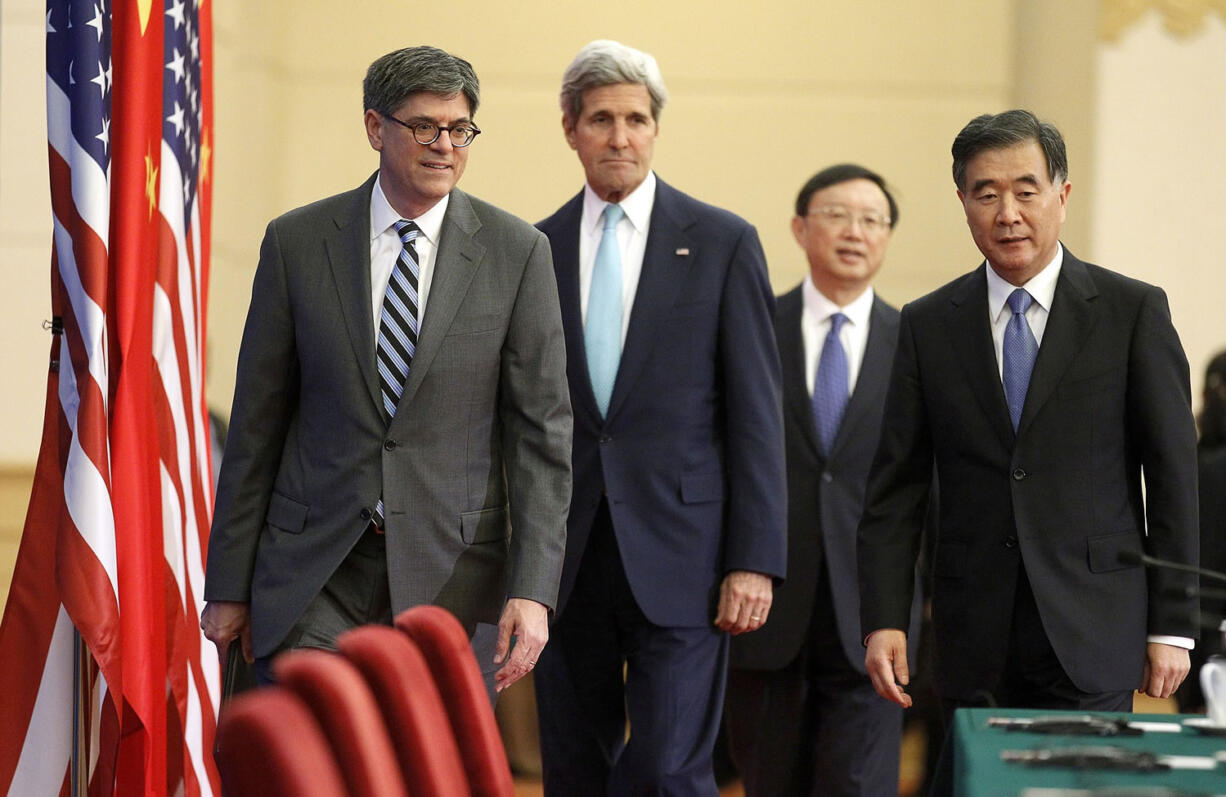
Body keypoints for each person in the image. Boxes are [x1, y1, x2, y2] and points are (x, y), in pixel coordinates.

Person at [200, 46, 572, 699]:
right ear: (376, 127)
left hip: (450, 579)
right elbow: (257, 424)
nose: (444, 145)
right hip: (313, 569)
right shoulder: (296, 244)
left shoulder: (518, 254)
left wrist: (533, 589)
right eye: (424, 126)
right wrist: (229, 584)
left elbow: (543, 437)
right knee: (305, 758)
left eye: (460, 130)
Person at [858, 109, 1199, 718]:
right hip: (972, 634)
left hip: (1094, 627)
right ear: (963, 201)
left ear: (1061, 195)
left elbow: (1172, 476)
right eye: (986, 194)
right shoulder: (929, 324)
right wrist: (884, 618)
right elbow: (896, 488)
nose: (1007, 213)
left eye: (1025, 191)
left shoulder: (1130, 312)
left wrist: (1172, 624)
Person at [532, 40, 786, 795]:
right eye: (602, 118)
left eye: (637, 119)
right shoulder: (531, 250)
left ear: (655, 129)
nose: (621, 137)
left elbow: (756, 415)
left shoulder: (721, 242)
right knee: (574, 770)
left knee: (671, 769)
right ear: (571, 128)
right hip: (566, 561)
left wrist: (755, 558)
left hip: (687, 560)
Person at [725, 164, 922, 797]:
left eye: (872, 220)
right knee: (767, 781)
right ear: (800, 228)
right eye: (837, 216)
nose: (855, 232)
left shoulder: (919, 342)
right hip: (766, 605)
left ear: (888, 237)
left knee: (858, 786)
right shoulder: (751, 328)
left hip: (875, 613)